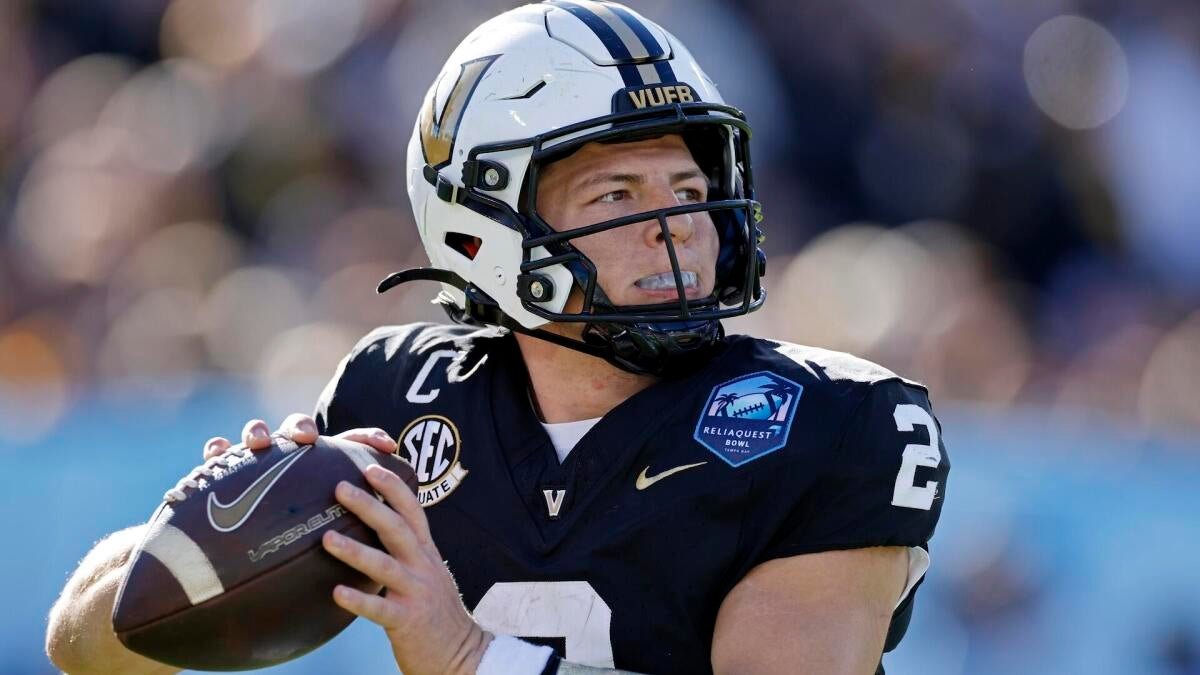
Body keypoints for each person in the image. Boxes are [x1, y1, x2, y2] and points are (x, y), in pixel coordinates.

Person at [45, 2, 949, 674]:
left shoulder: (840, 420)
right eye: (617, 196)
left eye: (688, 190)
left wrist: (471, 656)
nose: (674, 229)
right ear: (483, 229)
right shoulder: (398, 397)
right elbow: (82, 646)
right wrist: (202, 535)